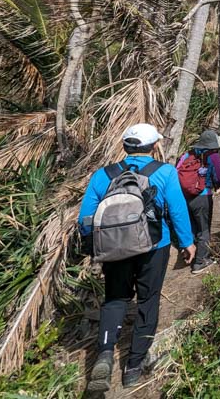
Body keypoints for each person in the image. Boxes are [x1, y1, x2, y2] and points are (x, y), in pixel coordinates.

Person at [78, 123, 195, 392]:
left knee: (115, 299)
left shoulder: (102, 175)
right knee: (148, 300)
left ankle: (105, 353)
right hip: (154, 246)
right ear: (154, 146)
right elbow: (177, 211)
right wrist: (187, 243)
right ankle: (133, 367)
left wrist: (96, 246)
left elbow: (86, 219)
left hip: (113, 249)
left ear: (125, 147)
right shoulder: (164, 172)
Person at [176, 130, 220, 275]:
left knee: (192, 226)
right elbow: (217, 176)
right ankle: (200, 262)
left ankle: (190, 253)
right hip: (202, 196)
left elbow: (177, 172)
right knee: (204, 229)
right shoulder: (213, 156)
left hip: (186, 196)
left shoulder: (187, 154)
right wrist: (216, 186)